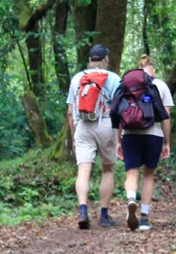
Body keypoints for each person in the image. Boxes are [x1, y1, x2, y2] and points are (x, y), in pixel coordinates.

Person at [112, 55, 173, 232]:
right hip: (153, 134)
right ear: (152, 70)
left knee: (131, 174)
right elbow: (166, 117)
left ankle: (131, 199)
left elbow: (118, 114)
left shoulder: (126, 85)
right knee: (148, 175)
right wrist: (167, 142)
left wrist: (118, 141)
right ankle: (145, 218)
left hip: (130, 134)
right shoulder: (160, 85)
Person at [67, 44, 122, 229]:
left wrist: (74, 136)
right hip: (106, 125)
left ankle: (83, 210)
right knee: (108, 169)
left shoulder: (77, 78)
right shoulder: (114, 79)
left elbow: (69, 112)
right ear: (106, 59)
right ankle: (104, 215)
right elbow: (119, 109)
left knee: (83, 170)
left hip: (82, 125)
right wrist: (119, 138)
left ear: (90, 59)